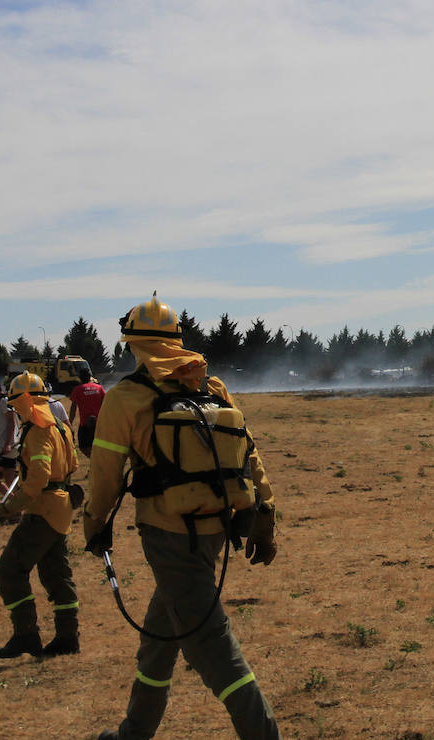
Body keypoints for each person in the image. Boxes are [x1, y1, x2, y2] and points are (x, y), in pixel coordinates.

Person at [85, 295, 280, 740]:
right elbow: (251, 455)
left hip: (169, 537)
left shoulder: (126, 398)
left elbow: (105, 475)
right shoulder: (210, 389)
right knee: (159, 636)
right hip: (216, 531)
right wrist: (264, 514)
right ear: (177, 341)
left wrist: (94, 523)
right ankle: (134, 731)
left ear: (131, 344)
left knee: (213, 648)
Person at [0, 371, 82, 658]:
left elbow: (38, 480)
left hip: (43, 511)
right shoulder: (61, 428)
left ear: (25, 401)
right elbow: (72, 463)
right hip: (60, 509)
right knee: (56, 575)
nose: (14, 409)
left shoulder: (38, 431)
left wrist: (8, 507)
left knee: (10, 571)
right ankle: (67, 637)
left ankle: (26, 635)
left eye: (15, 404)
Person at [67, 367, 107, 457]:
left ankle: (94, 461)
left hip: (85, 424)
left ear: (80, 378)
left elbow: (73, 408)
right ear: (90, 377)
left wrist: (70, 423)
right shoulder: (99, 388)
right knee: (99, 446)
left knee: (83, 447)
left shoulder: (77, 390)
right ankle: (96, 462)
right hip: (98, 424)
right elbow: (105, 403)